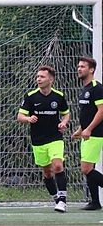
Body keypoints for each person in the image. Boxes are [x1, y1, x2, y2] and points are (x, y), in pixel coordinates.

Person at [17, 65, 70, 212]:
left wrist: (64, 122)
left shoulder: (58, 96)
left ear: (51, 79)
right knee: (47, 173)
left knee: (58, 165)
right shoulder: (31, 96)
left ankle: (63, 200)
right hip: (38, 140)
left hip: (55, 138)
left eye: (42, 76)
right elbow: (20, 116)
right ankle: (56, 198)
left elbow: (66, 113)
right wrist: (28, 119)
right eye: (37, 76)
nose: (38, 79)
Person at [71, 56, 103, 210]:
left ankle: (95, 201)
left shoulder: (97, 88)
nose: (79, 69)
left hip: (95, 133)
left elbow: (101, 111)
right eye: (78, 66)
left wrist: (89, 128)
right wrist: (80, 129)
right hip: (87, 133)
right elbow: (87, 113)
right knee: (90, 168)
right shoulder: (85, 89)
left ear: (91, 70)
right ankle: (95, 202)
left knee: (86, 169)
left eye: (82, 66)